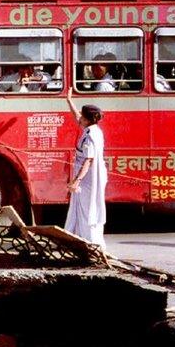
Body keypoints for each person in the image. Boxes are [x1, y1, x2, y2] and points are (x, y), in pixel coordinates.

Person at [64, 88, 107, 249]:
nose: (79, 118)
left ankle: (90, 243)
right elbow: (76, 117)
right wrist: (69, 101)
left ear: (88, 119)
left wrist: (76, 181)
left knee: (87, 209)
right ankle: (82, 241)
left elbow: (88, 161)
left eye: (82, 116)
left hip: (88, 178)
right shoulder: (93, 130)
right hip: (89, 176)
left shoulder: (90, 136)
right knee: (84, 207)